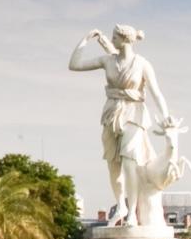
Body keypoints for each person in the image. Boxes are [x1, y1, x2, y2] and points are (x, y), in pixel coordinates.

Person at [69, 25, 170, 225]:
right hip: (112, 113)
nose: (111, 39)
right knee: (113, 164)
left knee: (130, 162)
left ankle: (132, 212)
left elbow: (156, 92)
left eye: (114, 36)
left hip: (134, 113)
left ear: (123, 40)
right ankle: (121, 205)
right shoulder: (108, 61)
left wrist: (166, 117)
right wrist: (85, 40)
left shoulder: (142, 64)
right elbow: (74, 64)